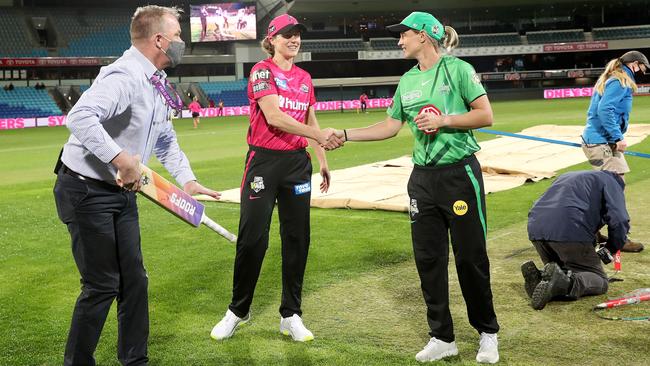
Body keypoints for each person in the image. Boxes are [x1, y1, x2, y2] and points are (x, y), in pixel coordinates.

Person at [324, 11, 499, 364]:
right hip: (422, 179)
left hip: (459, 175)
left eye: (403, 34)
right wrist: (346, 135)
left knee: (470, 258)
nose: (399, 40)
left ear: (423, 36)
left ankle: (487, 333)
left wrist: (444, 120)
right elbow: (390, 126)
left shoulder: (458, 71)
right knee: (429, 261)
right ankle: (441, 337)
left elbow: (485, 115)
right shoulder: (407, 81)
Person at [53, 6, 219, 365]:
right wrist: (120, 158)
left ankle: (134, 361)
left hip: (123, 191)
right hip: (85, 190)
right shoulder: (125, 75)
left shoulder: (156, 82)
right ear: (159, 39)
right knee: (101, 285)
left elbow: (166, 141)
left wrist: (187, 181)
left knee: (134, 281)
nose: (181, 42)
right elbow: (79, 116)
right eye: (177, 36)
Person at [210, 13, 339, 343]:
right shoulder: (261, 72)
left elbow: (310, 116)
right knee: (253, 238)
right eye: (287, 35)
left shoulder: (305, 78)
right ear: (272, 40)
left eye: (297, 35)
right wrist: (319, 135)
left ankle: (291, 314)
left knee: (298, 240)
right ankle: (238, 310)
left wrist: (321, 159)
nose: (294, 40)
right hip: (263, 163)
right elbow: (274, 116)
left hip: (298, 164)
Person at [523, 170, 629, 310]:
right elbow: (620, 220)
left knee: (560, 270)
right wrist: (612, 248)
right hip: (569, 229)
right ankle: (565, 282)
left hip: (536, 228)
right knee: (599, 280)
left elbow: (567, 205)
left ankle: (542, 278)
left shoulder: (568, 176)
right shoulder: (612, 183)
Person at [581, 50, 648, 253]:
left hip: (599, 141)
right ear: (635, 64)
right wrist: (617, 137)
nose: (642, 72)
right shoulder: (620, 80)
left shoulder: (613, 78)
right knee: (615, 190)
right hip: (603, 142)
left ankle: (590, 231)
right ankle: (619, 238)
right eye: (642, 68)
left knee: (607, 190)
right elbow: (605, 110)